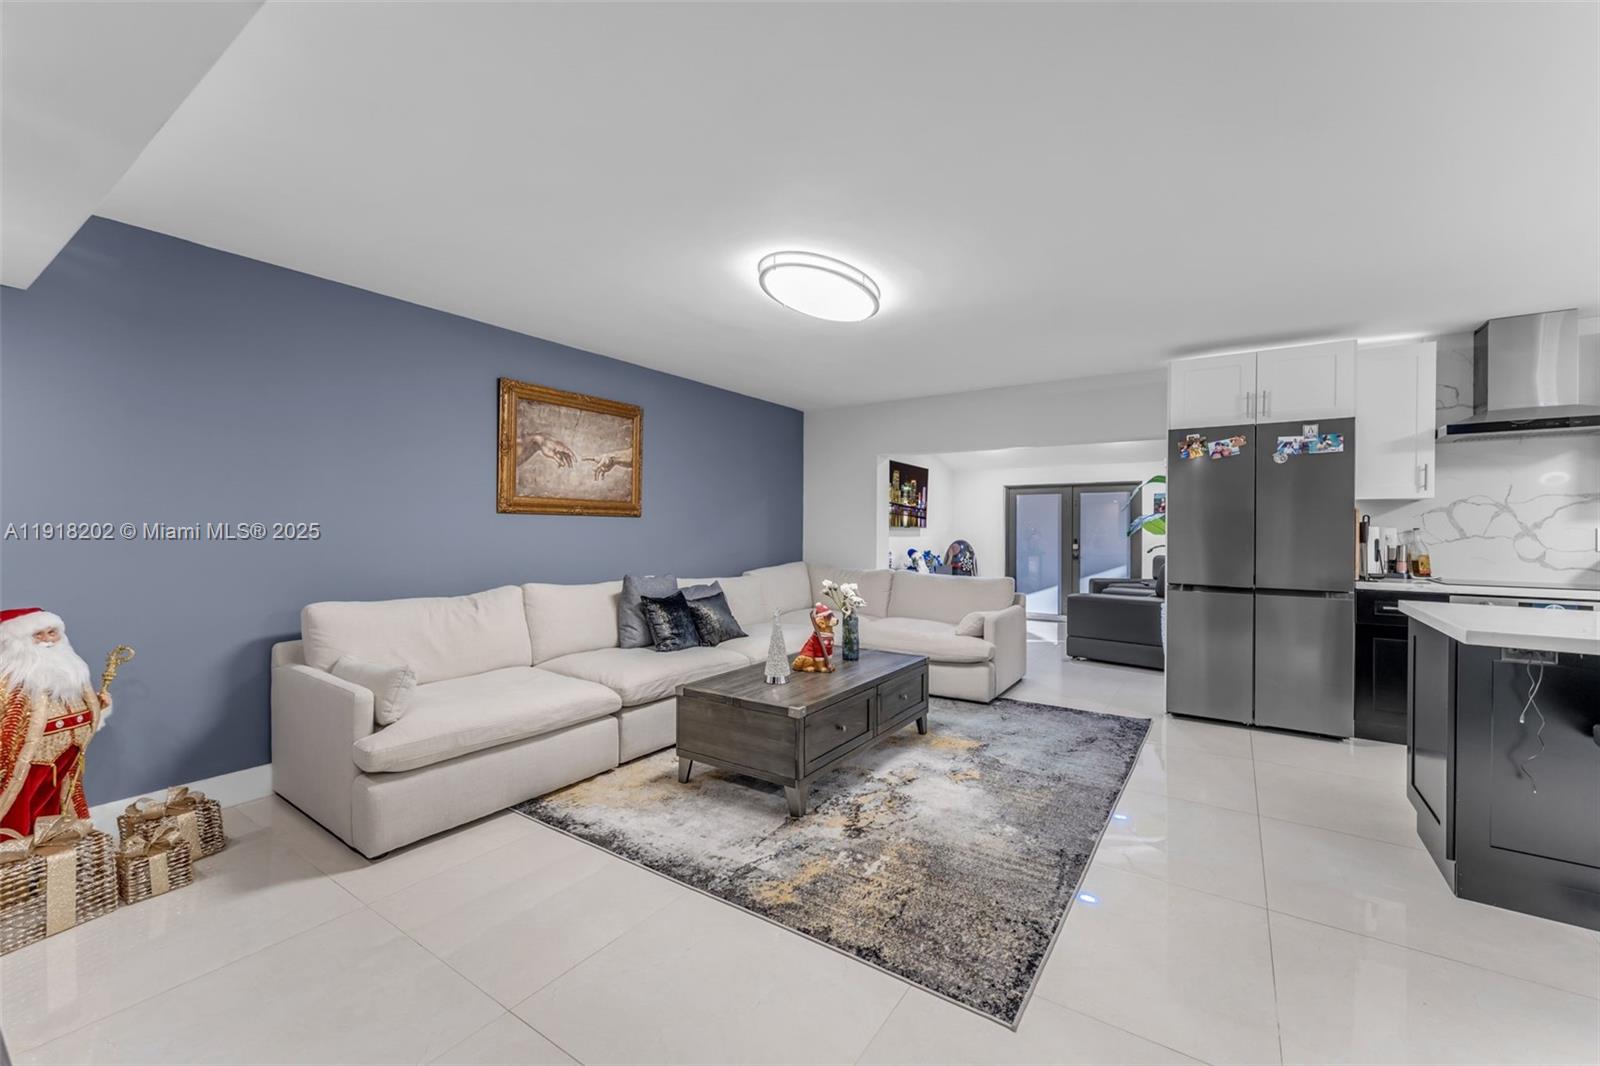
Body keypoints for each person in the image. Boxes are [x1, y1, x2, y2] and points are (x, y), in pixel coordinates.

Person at [0, 608, 110, 837]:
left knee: (57, 805)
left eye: (52, 632)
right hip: (25, 761)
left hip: (66, 756)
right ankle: (15, 855)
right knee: (19, 808)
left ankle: (55, 846)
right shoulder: (10, 682)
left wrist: (99, 706)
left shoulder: (71, 674)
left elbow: (79, 706)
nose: (47, 640)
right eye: (37, 635)